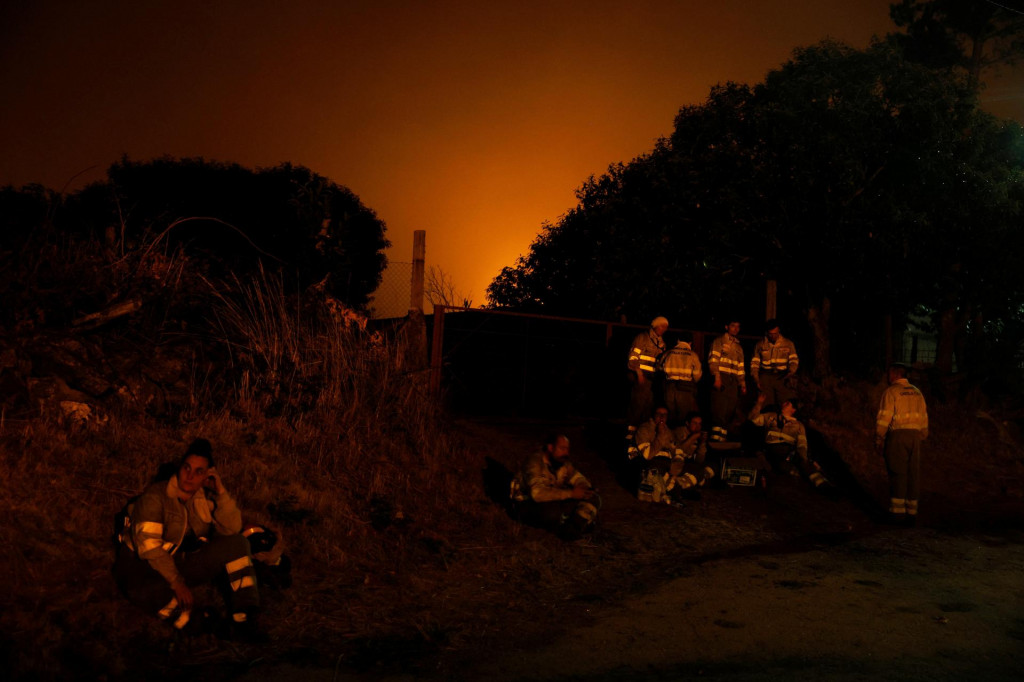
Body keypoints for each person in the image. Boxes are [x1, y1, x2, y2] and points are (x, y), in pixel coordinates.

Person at [113, 438, 264, 641]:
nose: (190, 476)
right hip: (141, 566)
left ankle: (245, 615)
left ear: (207, 476)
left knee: (238, 544)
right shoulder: (156, 497)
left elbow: (232, 529)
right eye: (187, 468)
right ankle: (200, 622)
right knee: (140, 590)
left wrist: (221, 493)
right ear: (180, 468)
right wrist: (177, 583)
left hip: (176, 561)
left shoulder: (201, 498)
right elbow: (149, 549)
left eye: (199, 472)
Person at [510, 433, 601, 539]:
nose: (566, 453)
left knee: (594, 498)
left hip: (552, 500)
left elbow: (578, 478)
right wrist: (571, 494)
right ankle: (569, 526)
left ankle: (574, 527)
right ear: (550, 447)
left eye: (567, 449)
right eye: (562, 448)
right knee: (552, 513)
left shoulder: (562, 463)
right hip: (526, 503)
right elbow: (537, 494)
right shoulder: (535, 462)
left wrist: (585, 489)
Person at [875, 363, 929, 525]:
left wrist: (879, 437)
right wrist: (922, 435)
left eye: (889, 373)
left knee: (898, 472)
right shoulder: (917, 392)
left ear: (895, 374)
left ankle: (897, 515)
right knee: (913, 474)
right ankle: (911, 512)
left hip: (898, 436)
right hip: (915, 436)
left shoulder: (891, 392)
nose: (887, 376)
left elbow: (885, 417)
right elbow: (924, 416)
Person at [748, 394, 831, 490]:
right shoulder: (771, 416)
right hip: (771, 450)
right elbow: (752, 419)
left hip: (787, 453)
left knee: (801, 466)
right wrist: (759, 403)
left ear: (793, 410)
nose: (784, 404)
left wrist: (803, 460)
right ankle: (799, 474)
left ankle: (823, 485)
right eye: (785, 402)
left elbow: (802, 445)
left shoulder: (798, 426)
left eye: (788, 403)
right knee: (781, 467)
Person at [625, 316, 669, 452]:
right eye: (661, 326)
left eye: (665, 327)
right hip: (641, 377)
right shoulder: (642, 338)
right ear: (654, 325)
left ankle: (641, 437)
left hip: (652, 380)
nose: (663, 329)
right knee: (637, 407)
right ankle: (630, 438)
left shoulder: (662, 343)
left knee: (648, 408)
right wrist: (639, 374)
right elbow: (633, 358)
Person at [708, 317, 746, 443]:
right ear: (726, 327)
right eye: (733, 326)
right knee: (719, 409)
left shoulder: (738, 347)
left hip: (733, 381)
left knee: (729, 411)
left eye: (738, 326)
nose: (736, 329)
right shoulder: (719, 341)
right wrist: (717, 378)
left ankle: (722, 440)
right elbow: (713, 361)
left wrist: (742, 383)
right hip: (722, 377)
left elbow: (740, 367)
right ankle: (715, 441)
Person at [750, 319, 799, 409]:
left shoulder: (788, 344)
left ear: (779, 331)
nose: (773, 336)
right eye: (771, 334)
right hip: (766, 377)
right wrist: (756, 379)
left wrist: (791, 373)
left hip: (782, 376)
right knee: (766, 404)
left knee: (785, 403)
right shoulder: (760, 345)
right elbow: (754, 364)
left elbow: (794, 360)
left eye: (775, 333)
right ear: (767, 333)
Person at [656, 331, 702, 423]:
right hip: (685, 389)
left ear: (678, 340)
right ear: (690, 343)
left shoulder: (668, 353)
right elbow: (697, 375)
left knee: (669, 417)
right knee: (684, 418)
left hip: (669, 387)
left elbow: (659, 369)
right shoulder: (693, 355)